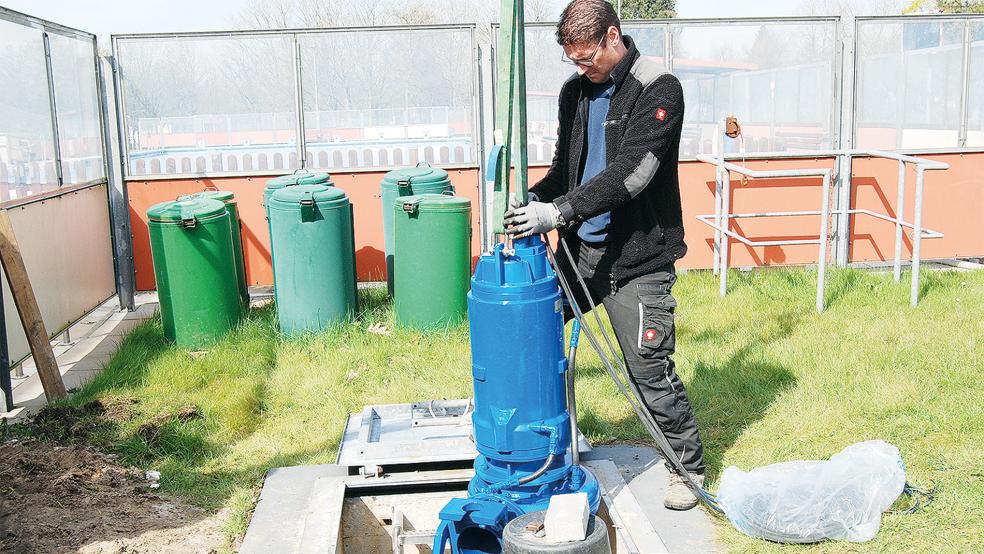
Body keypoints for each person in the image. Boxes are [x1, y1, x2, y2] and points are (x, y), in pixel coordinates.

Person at [503, 0, 706, 510]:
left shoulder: (659, 88)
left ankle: (690, 470)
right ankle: (541, 443)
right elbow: (566, 170)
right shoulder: (575, 93)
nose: (581, 68)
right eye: (573, 60)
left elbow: (632, 176)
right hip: (580, 254)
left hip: (637, 261)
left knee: (649, 371)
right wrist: (535, 199)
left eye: (588, 57)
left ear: (614, 36)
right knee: (530, 334)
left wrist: (558, 212)